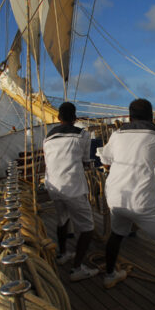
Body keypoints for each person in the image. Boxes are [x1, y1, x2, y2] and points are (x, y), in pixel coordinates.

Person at [99, 98, 155, 310]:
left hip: (116, 197)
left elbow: (105, 159)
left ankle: (110, 275)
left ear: (130, 117)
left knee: (116, 234)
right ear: (151, 117)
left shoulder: (117, 135)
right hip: (141, 201)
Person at [43, 102, 99, 282]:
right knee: (88, 228)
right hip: (72, 188)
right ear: (75, 118)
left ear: (58, 118)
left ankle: (63, 253)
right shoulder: (82, 134)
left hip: (53, 187)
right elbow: (84, 160)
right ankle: (77, 269)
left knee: (62, 219)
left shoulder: (48, 138)